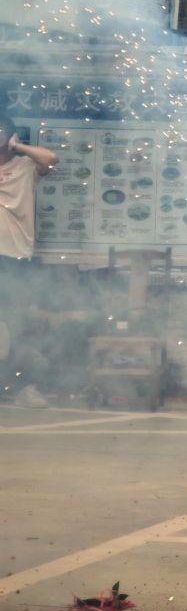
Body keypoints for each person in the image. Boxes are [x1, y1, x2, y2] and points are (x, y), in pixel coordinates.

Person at [0, 113, 58, 406]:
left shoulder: (24, 166)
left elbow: (50, 158)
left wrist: (17, 146)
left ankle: (24, 387)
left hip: (14, 257)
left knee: (19, 325)